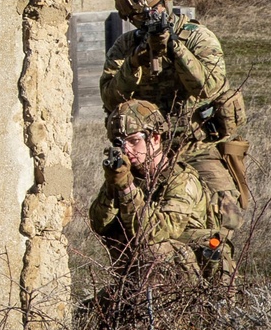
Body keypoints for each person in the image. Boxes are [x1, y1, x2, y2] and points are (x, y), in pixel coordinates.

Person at [100, 0, 249, 281]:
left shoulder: (196, 37)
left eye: (151, 11)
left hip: (197, 148)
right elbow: (110, 97)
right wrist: (136, 61)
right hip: (147, 152)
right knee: (121, 222)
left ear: (165, 1)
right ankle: (144, 283)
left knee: (224, 222)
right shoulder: (126, 48)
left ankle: (217, 292)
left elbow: (208, 86)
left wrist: (173, 48)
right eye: (137, 18)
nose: (145, 20)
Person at [89, 100, 220, 281]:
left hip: (188, 279)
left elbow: (155, 232)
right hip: (138, 280)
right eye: (120, 143)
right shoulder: (126, 174)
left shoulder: (181, 180)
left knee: (154, 249)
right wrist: (113, 186)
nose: (127, 150)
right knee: (86, 309)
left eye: (134, 141)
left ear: (156, 138)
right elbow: (99, 225)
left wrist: (127, 188)